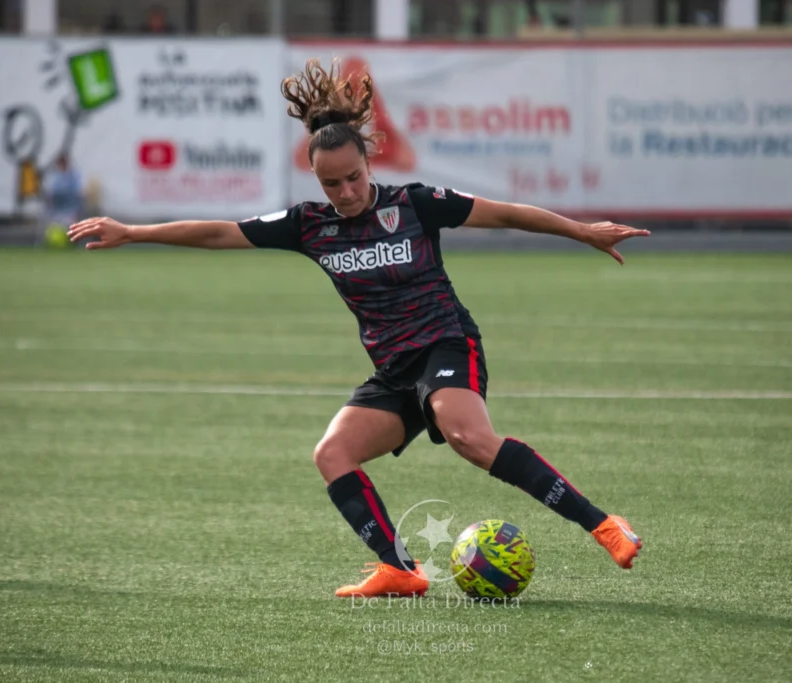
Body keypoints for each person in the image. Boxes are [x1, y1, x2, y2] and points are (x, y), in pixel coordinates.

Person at [68, 59, 649, 598]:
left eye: (352, 177)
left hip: (446, 344)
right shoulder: (308, 225)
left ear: (369, 163)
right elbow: (221, 231)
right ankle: (400, 568)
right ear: (316, 179)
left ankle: (604, 525)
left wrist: (583, 231)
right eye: (331, 184)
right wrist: (134, 232)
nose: (344, 192)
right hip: (394, 373)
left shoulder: (416, 204)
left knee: (468, 436)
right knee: (333, 453)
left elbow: (505, 213)